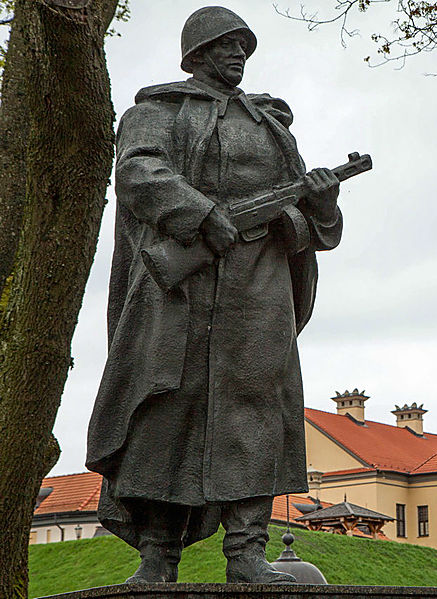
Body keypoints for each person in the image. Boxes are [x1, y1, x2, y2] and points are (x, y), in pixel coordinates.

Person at [85, 6, 342, 584]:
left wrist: (323, 205)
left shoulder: (270, 124)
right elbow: (138, 172)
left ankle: (248, 553)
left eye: (244, 47)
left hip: (259, 288)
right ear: (197, 53)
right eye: (227, 45)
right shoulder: (156, 112)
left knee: (257, 414)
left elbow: (301, 211)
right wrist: (200, 213)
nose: (238, 55)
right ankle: (157, 555)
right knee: (164, 411)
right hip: (183, 286)